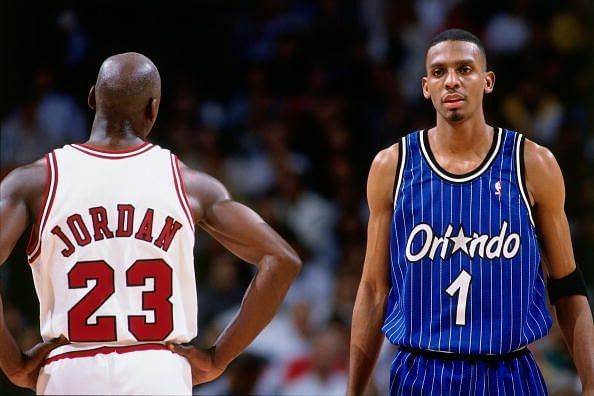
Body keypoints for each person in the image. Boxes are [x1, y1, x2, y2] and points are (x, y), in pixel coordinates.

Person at [0, 52, 301, 395]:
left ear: (92, 98)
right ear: (153, 108)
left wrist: (13, 364)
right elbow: (282, 260)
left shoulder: (36, 181)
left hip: (70, 372)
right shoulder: (190, 185)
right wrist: (219, 357)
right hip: (159, 371)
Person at [348, 29, 594, 395]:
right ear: (425, 87)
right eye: (438, 72)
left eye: (465, 69)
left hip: (509, 372)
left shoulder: (534, 164)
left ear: (487, 81)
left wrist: (590, 383)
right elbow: (372, 290)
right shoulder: (392, 166)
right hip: (421, 373)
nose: (452, 81)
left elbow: (567, 285)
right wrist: (354, 390)